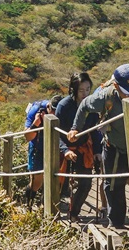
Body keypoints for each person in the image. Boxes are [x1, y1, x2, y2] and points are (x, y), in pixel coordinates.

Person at [69, 63, 129, 229]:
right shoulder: (106, 96)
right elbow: (84, 106)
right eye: (128, 92)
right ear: (116, 86)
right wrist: (75, 129)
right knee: (113, 184)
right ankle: (117, 223)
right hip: (114, 145)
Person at [55, 72, 99, 220]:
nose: (85, 93)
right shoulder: (64, 106)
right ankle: (52, 212)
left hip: (83, 147)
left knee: (86, 182)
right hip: (63, 148)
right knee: (60, 184)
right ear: (74, 90)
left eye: (87, 89)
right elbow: (55, 132)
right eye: (81, 90)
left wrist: (97, 151)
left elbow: (94, 130)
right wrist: (65, 150)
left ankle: (74, 213)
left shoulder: (92, 106)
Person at [23, 96, 55, 203]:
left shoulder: (63, 110)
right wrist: (36, 123)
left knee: (55, 179)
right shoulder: (36, 110)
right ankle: (27, 202)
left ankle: (46, 204)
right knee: (37, 182)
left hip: (55, 146)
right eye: (52, 111)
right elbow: (27, 137)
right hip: (37, 146)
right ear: (49, 107)